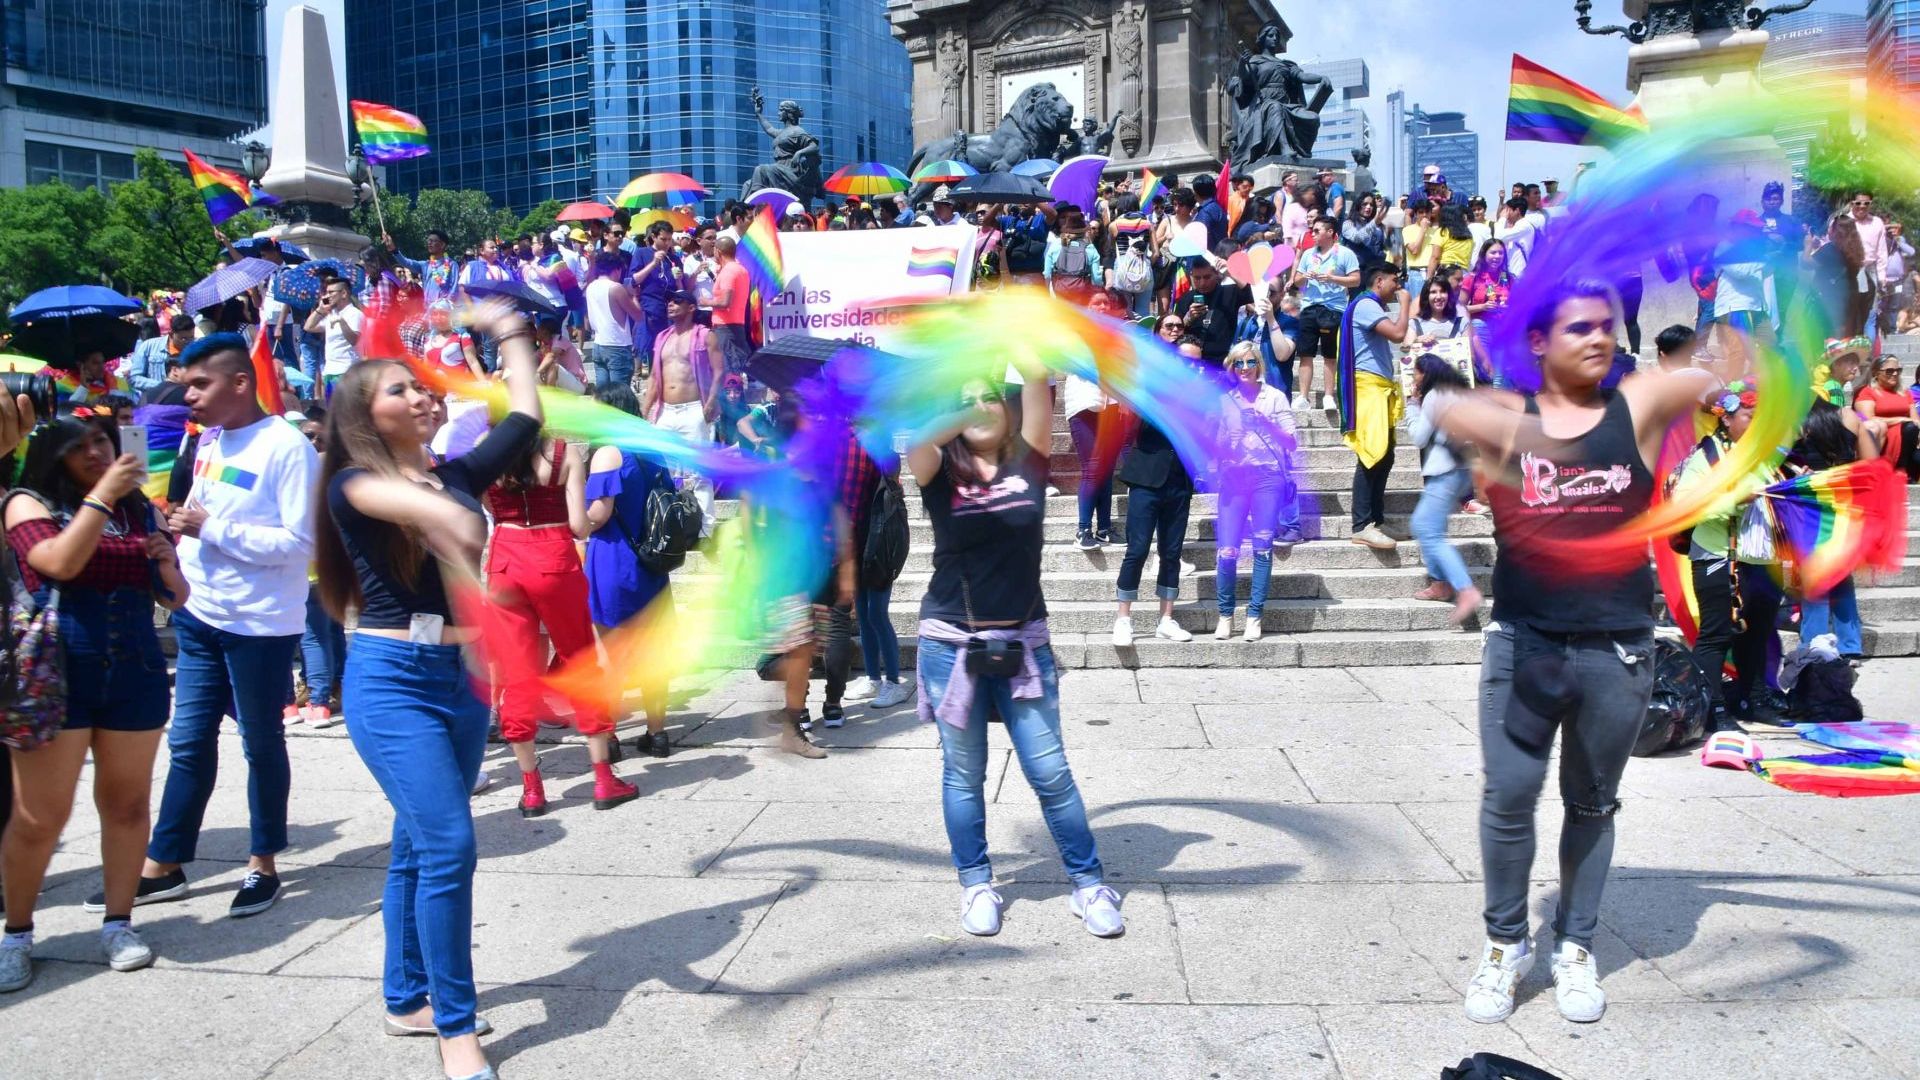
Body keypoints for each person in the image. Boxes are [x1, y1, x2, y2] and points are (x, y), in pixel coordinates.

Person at [1429, 280, 1719, 1027]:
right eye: (1577, 328)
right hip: (1523, 644)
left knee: (1592, 802)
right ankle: (1504, 945)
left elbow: (1706, 367)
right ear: (1536, 343)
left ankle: (1575, 945)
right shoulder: (1503, 418)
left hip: (1618, 651)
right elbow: (1439, 404)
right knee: (1507, 799)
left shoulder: (1639, 412)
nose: (1598, 339)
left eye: (1607, 327)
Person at [315, 303, 542, 1080]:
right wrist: (455, 525)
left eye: (421, 387)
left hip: (464, 677)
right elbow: (456, 527)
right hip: (393, 679)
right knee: (449, 844)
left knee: (418, 843)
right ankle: (455, 1028)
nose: (421, 397)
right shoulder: (354, 484)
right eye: (397, 390)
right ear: (362, 417)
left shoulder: (453, 473)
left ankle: (404, 995)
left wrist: (508, 331)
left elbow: (527, 418)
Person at [906, 358, 1121, 939]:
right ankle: (976, 884)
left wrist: (1012, 324)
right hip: (951, 642)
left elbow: (1034, 378)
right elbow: (919, 440)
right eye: (967, 399)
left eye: (989, 398)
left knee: (1050, 770)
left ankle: (1089, 884)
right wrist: (960, 402)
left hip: (1025, 641)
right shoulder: (938, 472)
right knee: (963, 772)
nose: (981, 407)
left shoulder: (1029, 461)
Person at [134, 335, 321, 920]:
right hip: (199, 614)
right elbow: (204, 510)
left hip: (259, 625)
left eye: (199, 384)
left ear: (240, 383)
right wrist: (175, 537)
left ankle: (262, 863)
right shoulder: (209, 439)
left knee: (261, 742)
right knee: (188, 741)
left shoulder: (289, 447)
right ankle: (164, 863)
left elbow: (301, 542)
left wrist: (210, 529)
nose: (187, 394)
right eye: (185, 383)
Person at [1, 416, 187, 992]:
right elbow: (57, 562)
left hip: (133, 665)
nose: (95, 451)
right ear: (52, 454)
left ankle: (118, 922)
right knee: (39, 818)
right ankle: (16, 933)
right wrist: (103, 496)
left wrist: (161, 559)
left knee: (127, 805)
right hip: (59, 670)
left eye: (102, 441)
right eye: (79, 445)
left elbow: (176, 597)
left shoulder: (139, 511)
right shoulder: (25, 503)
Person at [483, 423, 638, 815]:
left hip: (505, 559)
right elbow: (578, 525)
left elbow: (490, 508)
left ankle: (532, 789)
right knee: (581, 659)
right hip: (552, 556)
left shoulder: (487, 452)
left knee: (516, 670)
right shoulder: (561, 453)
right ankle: (603, 778)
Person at [1674, 382, 1783, 726]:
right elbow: (1685, 504)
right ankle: (1713, 709)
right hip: (1718, 556)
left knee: (1759, 633)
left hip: (1762, 559)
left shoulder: (1766, 454)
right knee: (1716, 635)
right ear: (1727, 418)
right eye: (1751, 414)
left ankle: (1752, 699)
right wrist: (1736, 501)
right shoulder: (1706, 456)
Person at [582, 383, 677, 752]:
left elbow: (598, 514)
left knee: (610, 652)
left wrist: (573, 514)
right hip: (652, 560)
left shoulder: (607, 453)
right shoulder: (652, 447)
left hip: (615, 559)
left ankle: (608, 736)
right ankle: (657, 733)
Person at [1213, 340, 1299, 643]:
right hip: (1235, 477)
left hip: (1267, 478)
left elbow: (1291, 442)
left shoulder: (1274, 398)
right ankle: (1225, 615)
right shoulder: (1226, 401)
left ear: (1259, 365)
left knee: (1262, 548)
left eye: (1250, 362)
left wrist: (1266, 424)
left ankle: (1254, 615)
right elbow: (1217, 449)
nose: (1245, 368)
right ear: (1232, 368)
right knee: (1227, 550)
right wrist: (1229, 441)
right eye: (1239, 363)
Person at [1339, 265, 1413, 550]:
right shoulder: (1367, 304)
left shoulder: (1370, 306)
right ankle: (1361, 525)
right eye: (1395, 281)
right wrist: (1405, 305)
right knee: (1372, 454)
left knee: (1386, 455)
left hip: (1378, 386)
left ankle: (1378, 520)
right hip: (1368, 387)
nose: (1397, 287)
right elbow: (1396, 333)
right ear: (1379, 281)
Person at [1406, 354, 1482, 623]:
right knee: (1430, 528)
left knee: (1426, 528)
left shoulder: (1435, 395)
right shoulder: (1459, 392)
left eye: (1415, 373)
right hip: (1462, 469)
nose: (1413, 378)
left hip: (1444, 469)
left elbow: (1418, 437)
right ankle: (1441, 584)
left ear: (1426, 374)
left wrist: (1412, 406)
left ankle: (1465, 589)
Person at [1112, 409, 1194, 646]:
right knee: (1137, 549)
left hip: (1180, 482)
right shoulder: (1147, 392)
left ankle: (1166, 619)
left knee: (1171, 553)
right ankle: (1123, 618)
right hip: (1146, 480)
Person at [644, 289, 724, 531]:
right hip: (665, 411)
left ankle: (706, 530)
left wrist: (710, 402)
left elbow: (719, 371)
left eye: (677, 301)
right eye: (669, 301)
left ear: (691, 307)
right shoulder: (661, 338)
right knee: (663, 471)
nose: (670, 305)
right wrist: (645, 408)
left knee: (699, 471)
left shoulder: (705, 336)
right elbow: (654, 377)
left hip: (693, 409)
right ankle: (672, 525)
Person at [1290, 217, 1362, 410]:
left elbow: (1355, 280)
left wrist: (1332, 278)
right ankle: (1304, 396)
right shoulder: (1307, 254)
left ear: (1330, 232)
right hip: (1309, 306)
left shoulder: (1345, 253)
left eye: (1316, 230)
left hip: (1333, 309)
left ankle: (1328, 395)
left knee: (1330, 353)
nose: (1312, 234)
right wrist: (1305, 276)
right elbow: (1297, 281)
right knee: (1306, 352)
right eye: (1312, 231)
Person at [1063, 362, 1117, 550]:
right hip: (1083, 402)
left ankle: (1104, 530)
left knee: (1107, 468)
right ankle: (1083, 530)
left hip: (1109, 402)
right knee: (1093, 468)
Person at [1175, 258, 1255, 367]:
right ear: (1191, 275)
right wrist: (1188, 318)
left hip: (1219, 362)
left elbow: (1250, 292)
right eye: (1197, 278)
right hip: (1191, 362)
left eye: (1207, 277)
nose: (1202, 283)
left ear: (1216, 274)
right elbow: (1175, 332)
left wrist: (1229, 271)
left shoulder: (1229, 292)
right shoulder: (1186, 298)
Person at [303, 277, 362, 396]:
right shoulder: (332, 314)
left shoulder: (355, 314)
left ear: (344, 293)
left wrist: (342, 323)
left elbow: (355, 340)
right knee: (333, 411)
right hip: (330, 371)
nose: (327, 296)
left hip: (347, 372)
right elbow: (308, 327)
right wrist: (320, 310)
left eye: (331, 292)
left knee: (346, 412)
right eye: (326, 292)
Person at [709, 236, 754, 379]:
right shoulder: (740, 269)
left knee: (729, 371)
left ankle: (733, 400)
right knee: (733, 370)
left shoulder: (729, 271)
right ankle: (736, 399)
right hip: (736, 324)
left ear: (718, 251)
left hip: (725, 327)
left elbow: (725, 302)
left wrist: (705, 301)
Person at [128, 315, 195, 400]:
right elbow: (134, 378)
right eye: (183, 339)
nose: (188, 342)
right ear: (171, 334)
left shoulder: (196, 350)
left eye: (191, 337)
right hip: (154, 402)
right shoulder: (149, 346)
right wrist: (163, 386)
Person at [1044, 205, 1102, 303]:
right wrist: (1099, 290)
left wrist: (1048, 293)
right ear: (1084, 230)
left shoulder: (1056, 245)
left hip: (1059, 291)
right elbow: (1096, 278)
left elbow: (1047, 274)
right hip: (1082, 292)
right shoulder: (1090, 247)